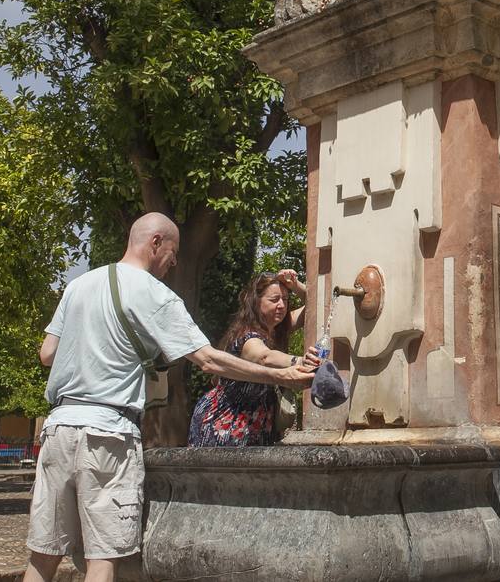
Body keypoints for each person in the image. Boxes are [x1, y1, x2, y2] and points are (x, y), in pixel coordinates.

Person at [21, 213, 315, 582]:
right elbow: (208, 359)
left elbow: (47, 354)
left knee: (44, 553)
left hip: (59, 428)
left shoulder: (80, 285)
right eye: (173, 253)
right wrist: (281, 375)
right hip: (107, 436)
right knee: (103, 555)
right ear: (155, 242)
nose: (174, 262)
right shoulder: (155, 295)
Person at [188, 269, 309, 447]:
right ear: (256, 302)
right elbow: (264, 357)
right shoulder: (247, 336)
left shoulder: (278, 329)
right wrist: (300, 362)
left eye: (286, 299)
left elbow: (318, 304)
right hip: (226, 423)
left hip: (257, 425)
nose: (282, 305)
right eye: (274, 299)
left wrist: (296, 285)